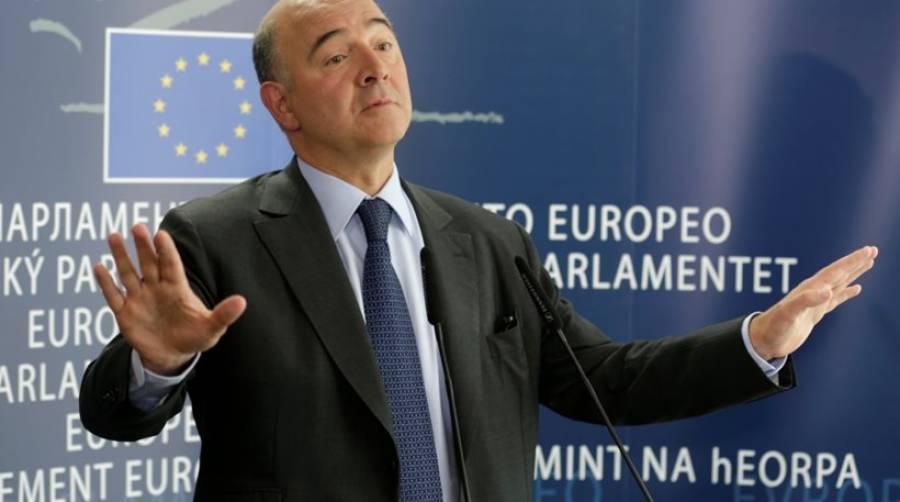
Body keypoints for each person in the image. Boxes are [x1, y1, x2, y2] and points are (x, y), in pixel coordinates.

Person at [78, 0, 878, 500]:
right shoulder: (216, 236)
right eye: (337, 55)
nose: (374, 68)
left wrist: (759, 340)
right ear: (280, 105)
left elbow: (604, 381)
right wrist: (158, 366)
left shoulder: (488, 242)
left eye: (385, 44)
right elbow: (114, 414)